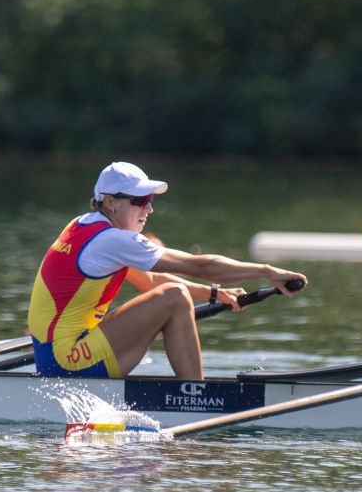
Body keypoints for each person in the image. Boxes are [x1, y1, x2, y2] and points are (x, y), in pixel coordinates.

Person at [28, 161, 307, 380]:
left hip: (55, 358)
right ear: (110, 202)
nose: (148, 208)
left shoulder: (83, 225)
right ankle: (196, 396)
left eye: (149, 199)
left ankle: (192, 391)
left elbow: (149, 280)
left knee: (172, 293)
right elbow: (201, 265)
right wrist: (267, 271)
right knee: (174, 296)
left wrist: (216, 294)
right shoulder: (112, 240)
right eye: (139, 200)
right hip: (67, 365)